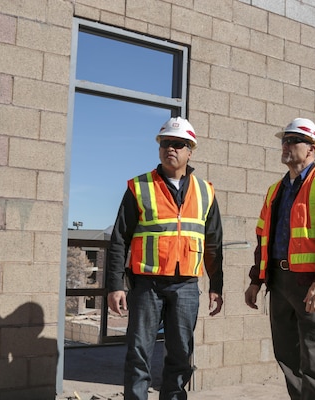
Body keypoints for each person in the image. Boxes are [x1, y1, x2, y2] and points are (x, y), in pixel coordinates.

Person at [106, 116, 224, 400]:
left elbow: (214, 244)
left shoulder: (205, 191)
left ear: (189, 151)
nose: (170, 148)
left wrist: (217, 287)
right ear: (159, 149)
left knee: (181, 355)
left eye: (178, 144)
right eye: (165, 143)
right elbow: (119, 239)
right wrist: (115, 285)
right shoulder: (139, 187)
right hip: (147, 285)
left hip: (185, 286)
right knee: (139, 353)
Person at [244, 118, 315, 400]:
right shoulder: (274, 191)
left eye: (293, 140)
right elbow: (263, 240)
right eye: (284, 140)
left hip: (311, 285)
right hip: (279, 283)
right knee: (286, 354)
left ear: (312, 148)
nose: (286, 145)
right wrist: (257, 280)